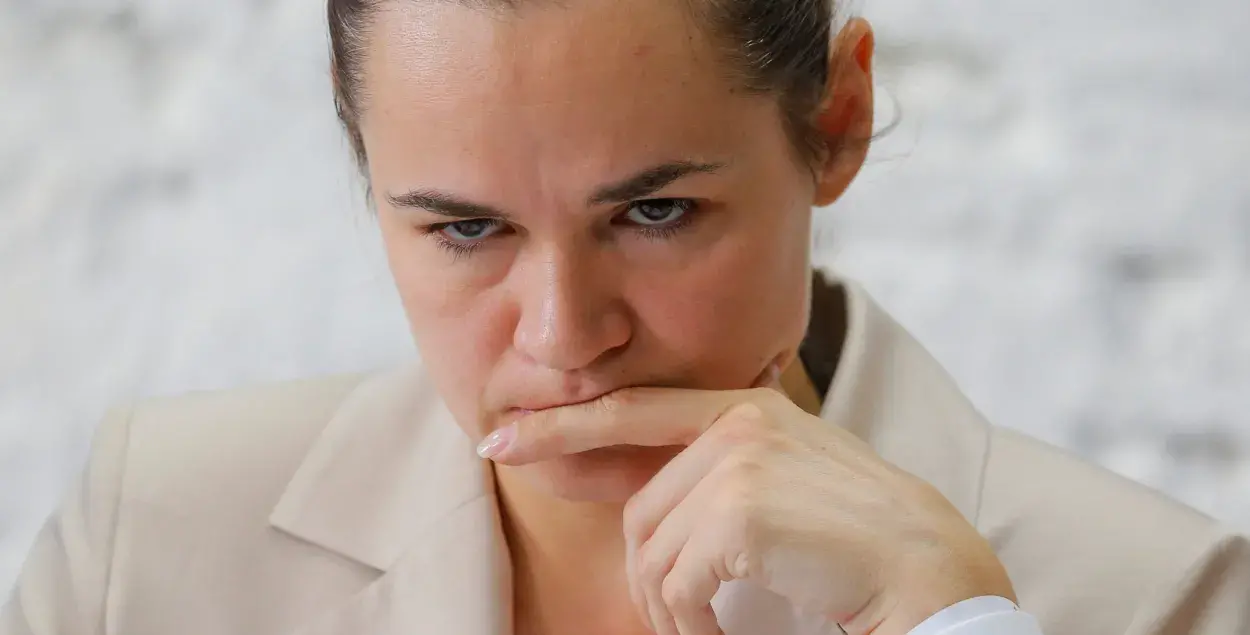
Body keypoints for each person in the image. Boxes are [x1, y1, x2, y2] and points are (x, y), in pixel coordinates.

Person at [4, 0, 1249, 633]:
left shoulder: (1150, 595)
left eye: (652, 212)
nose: (560, 334)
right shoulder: (149, 540)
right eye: (464, 228)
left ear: (836, 119)